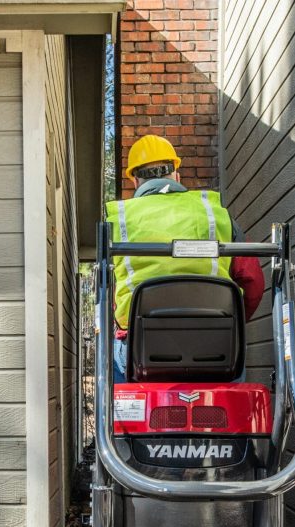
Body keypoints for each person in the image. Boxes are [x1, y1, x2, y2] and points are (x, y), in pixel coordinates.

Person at [105, 134, 265, 382]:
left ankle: (120, 408)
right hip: (215, 349)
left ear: (135, 181)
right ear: (176, 175)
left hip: (141, 352)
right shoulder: (215, 214)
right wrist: (234, 321)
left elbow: (109, 292)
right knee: (234, 351)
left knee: (115, 361)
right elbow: (253, 280)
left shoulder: (118, 220)